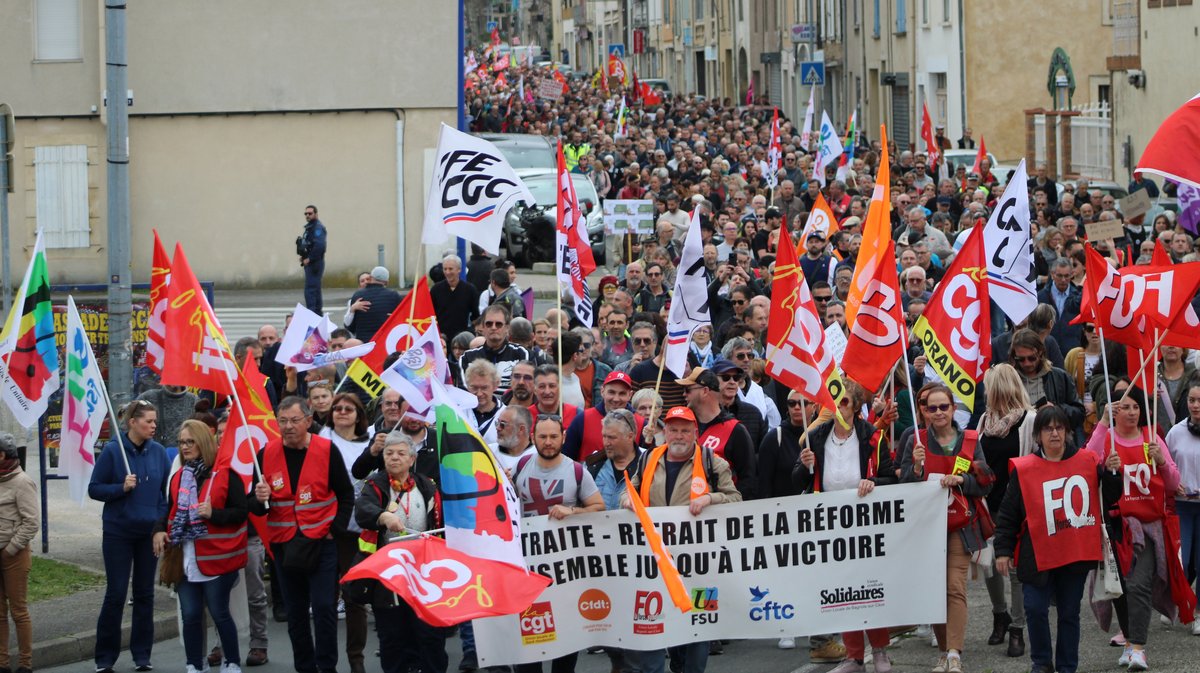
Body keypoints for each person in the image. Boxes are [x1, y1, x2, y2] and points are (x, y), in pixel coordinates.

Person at [994, 406, 1121, 673]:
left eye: (1059, 428)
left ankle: (1066, 667)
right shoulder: (1024, 468)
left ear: (1067, 432)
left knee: (1068, 614)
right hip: (1036, 553)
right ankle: (1041, 663)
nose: (1055, 433)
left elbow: (1109, 498)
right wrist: (1003, 550)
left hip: (1073, 552)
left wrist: (1110, 473)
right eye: (1048, 429)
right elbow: (1008, 512)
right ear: (1038, 436)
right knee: (1035, 609)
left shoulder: (1087, 461)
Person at [621, 406, 741, 673]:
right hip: (657, 565)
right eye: (673, 430)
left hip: (702, 566)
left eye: (685, 430)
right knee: (662, 625)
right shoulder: (648, 459)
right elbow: (630, 492)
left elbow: (736, 499)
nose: (678, 435)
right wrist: (627, 499)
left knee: (699, 628)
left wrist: (711, 498)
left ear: (695, 433)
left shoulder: (713, 462)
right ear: (665, 432)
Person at [791, 384, 896, 673]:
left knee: (869, 587)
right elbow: (797, 481)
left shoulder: (872, 438)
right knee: (842, 590)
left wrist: (873, 483)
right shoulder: (814, 437)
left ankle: (880, 650)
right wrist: (804, 465)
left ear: (856, 406)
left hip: (865, 523)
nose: (839, 406)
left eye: (845, 401)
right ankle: (854, 656)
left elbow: (890, 478)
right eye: (834, 401)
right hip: (830, 526)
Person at [250, 397, 355, 673]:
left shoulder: (326, 450)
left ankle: (326, 666)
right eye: (282, 421)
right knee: (295, 613)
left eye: (294, 420)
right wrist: (259, 498)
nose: (287, 426)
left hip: (322, 541)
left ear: (309, 421)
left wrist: (335, 530)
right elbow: (255, 508)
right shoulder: (265, 454)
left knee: (323, 608)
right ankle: (305, 667)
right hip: (284, 546)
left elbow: (345, 495)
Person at [1086, 388, 1183, 671]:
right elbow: (1085, 463)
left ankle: (1139, 647)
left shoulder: (1152, 440)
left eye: (1135, 407)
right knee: (1118, 587)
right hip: (1115, 525)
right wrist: (1103, 425)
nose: (1130, 412)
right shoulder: (1106, 440)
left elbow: (1174, 482)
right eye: (1124, 407)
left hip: (1147, 527)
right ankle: (1129, 641)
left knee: (1139, 583)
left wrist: (1162, 461)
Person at [899, 384, 993, 673]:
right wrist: (915, 468)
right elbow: (903, 488)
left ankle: (954, 653)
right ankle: (943, 651)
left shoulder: (971, 439)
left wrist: (963, 482)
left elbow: (986, 482)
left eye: (943, 407)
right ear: (924, 411)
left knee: (954, 587)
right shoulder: (914, 439)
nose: (938, 412)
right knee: (934, 591)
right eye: (931, 407)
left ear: (953, 409)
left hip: (960, 525)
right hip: (927, 528)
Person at [153, 420, 248, 673]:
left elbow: (241, 512)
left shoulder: (226, 474)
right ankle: (195, 664)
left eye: (190, 441)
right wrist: (159, 530)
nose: (184, 447)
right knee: (191, 615)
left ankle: (232, 661)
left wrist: (214, 513)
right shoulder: (178, 477)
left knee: (219, 612)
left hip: (218, 557)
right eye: (181, 442)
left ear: (203, 442)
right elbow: (168, 509)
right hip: (185, 557)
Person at [511, 416, 604, 673]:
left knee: (566, 634)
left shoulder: (577, 470)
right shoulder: (520, 466)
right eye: (543, 436)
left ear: (563, 437)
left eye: (554, 436)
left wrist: (573, 511)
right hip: (528, 565)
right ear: (533, 438)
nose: (548, 442)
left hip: (566, 566)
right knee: (529, 638)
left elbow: (599, 508)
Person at [89, 399, 171, 673]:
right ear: (132, 422)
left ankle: (142, 656)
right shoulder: (113, 451)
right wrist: (119, 488)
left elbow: (165, 495)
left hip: (148, 533)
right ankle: (105, 658)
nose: (153, 426)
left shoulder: (158, 452)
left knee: (145, 594)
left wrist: (160, 527)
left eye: (154, 421)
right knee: (116, 593)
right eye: (148, 421)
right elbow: (95, 488)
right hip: (118, 532)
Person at [354, 434, 447, 673]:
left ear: (412, 459)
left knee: (430, 635)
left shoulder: (427, 485)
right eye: (389, 453)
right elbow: (363, 510)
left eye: (400, 453)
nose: (394, 458)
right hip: (389, 574)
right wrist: (382, 516)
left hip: (424, 573)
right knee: (393, 637)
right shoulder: (375, 484)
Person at [976, 365, 1036, 657]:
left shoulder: (1029, 420)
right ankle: (999, 614)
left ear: (1000, 388)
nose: (986, 392)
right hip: (988, 504)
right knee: (988, 564)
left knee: (1013, 569)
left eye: (989, 386)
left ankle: (1017, 628)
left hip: (1017, 506)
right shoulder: (983, 421)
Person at [318, 394, 373, 673]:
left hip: (362, 532)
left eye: (348, 409)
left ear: (358, 415)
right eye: (337, 408)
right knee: (325, 600)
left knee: (355, 599)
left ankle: (356, 660)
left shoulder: (370, 444)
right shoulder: (322, 438)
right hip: (330, 531)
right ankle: (326, 661)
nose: (341, 412)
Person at [0, 433, 37, 673]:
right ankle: (2, 663)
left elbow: (31, 522)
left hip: (14, 556)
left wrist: (11, 549)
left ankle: (25, 663)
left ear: (2, 455)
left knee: (18, 611)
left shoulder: (22, 481)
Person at [1164, 381, 1200, 633]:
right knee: (1182, 561)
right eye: (1192, 400)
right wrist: (1172, 483)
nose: (1196, 406)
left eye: (1199, 401)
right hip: (1183, 505)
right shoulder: (1175, 432)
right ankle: (1178, 603)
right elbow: (1166, 465)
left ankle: (1198, 612)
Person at [345, 266, 402, 341]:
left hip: (363, 343)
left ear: (371, 278)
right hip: (385, 341)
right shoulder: (394, 296)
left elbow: (350, 326)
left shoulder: (358, 296)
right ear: (387, 282)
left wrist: (352, 310)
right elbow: (403, 320)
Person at [136, 384, 200, 449]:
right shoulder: (148, 397)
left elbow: (200, 434)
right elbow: (129, 425)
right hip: (154, 454)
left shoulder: (194, 400)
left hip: (184, 454)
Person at [299, 205, 327, 313]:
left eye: (310, 213)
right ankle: (316, 313)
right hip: (311, 262)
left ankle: (313, 313)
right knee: (314, 289)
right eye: (306, 214)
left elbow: (320, 246)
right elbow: (309, 244)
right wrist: (304, 256)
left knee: (311, 290)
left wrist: (310, 258)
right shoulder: (310, 227)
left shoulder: (317, 228)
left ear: (316, 214)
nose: (307, 215)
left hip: (315, 263)